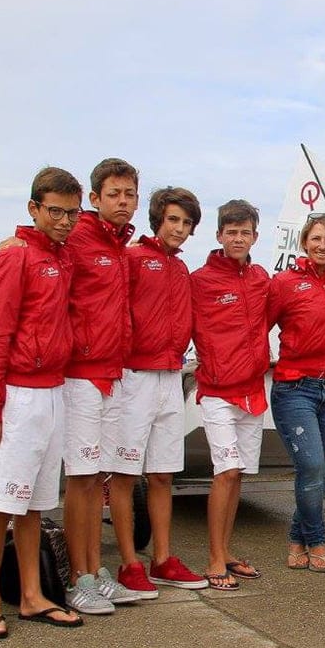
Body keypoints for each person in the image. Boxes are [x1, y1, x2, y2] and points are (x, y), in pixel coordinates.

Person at [0, 167, 86, 637]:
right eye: (54, 210)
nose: (63, 220)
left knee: (34, 504)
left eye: (71, 213)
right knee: (0, 503)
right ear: (34, 208)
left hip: (52, 390)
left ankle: (33, 596)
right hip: (16, 395)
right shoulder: (15, 256)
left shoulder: (60, 258)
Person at [105, 187, 208, 597]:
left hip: (171, 375)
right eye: (173, 220)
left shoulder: (182, 270)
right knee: (126, 474)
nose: (179, 229)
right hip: (134, 377)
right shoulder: (131, 258)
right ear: (157, 221)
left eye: (186, 223)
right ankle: (130, 563)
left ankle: (162, 559)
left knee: (163, 474)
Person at [63, 158, 142, 615]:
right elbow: (35, 250)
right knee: (81, 476)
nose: (123, 202)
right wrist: (11, 240)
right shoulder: (77, 237)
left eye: (130, 194)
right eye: (114, 194)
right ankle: (78, 578)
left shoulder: (118, 246)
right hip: (80, 374)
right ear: (95, 199)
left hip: (113, 373)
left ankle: (97, 571)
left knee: (99, 478)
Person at [190, 199, 274, 590]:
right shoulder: (199, 280)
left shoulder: (261, 278)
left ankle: (225, 551)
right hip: (217, 392)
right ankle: (212, 559)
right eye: (231, 232)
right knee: (223, 472)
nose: (238, 238)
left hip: (252, 391)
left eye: (245, 232)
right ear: (219, 235)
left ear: (255, 236)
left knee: (238, 474)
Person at [270, 212, 325, 573]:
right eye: (316, 239)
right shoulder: (284, 283)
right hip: (296, 388)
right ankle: (317, 540)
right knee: (309, 465)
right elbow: (255, 325)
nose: (322, 246)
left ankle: (296, 538)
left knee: (319, 472)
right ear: (304, 242)